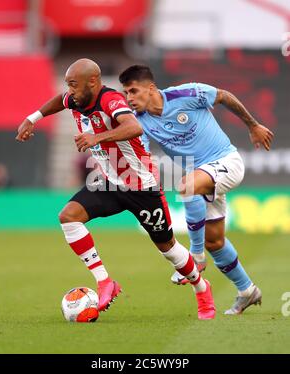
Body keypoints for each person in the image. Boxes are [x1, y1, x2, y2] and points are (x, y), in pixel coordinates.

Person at [16, 58, 215, 320]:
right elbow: (58, 100)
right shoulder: (76, 99)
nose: (70, 91)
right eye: (68, 85)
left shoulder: (110, 100)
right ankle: (105, 281)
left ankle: (202, 288)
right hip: (109, 182)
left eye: (74, 85)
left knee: (168, 248)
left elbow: (134, 127)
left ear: (93, 82)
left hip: (142, 187)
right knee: (68, 216)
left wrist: (96, 137)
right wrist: (33, 118)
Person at [119, 65, 274, 315]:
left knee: (187, 185)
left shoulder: (186, 94)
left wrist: (253, 125)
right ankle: (247, 291)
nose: (129, 98)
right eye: (126, 93)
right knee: (215, 241)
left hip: (226, 161)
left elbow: (223, 96)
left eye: (133, 91)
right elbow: (142, 154)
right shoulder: (140, 123)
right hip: (203, 176)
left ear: (150, 88)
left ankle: (196, 258)